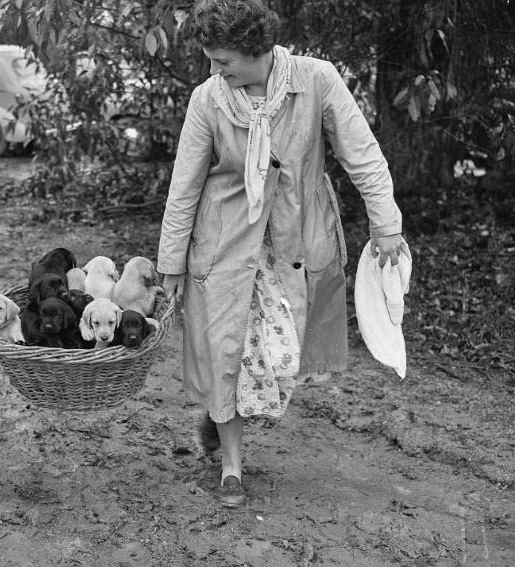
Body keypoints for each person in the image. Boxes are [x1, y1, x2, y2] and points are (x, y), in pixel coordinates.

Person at [157, 0, 406, 508]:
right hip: (224, 243)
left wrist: (386, 226)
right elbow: (184, 186)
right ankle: (231, 464)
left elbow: (363, 154)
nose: (214, 70)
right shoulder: (208, 100)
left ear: (257, 51)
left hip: (294, 242)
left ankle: (223, 409)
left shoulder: (316, 81)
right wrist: (172, 263)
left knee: (279, 354)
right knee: (226, 348)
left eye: (223, 60)